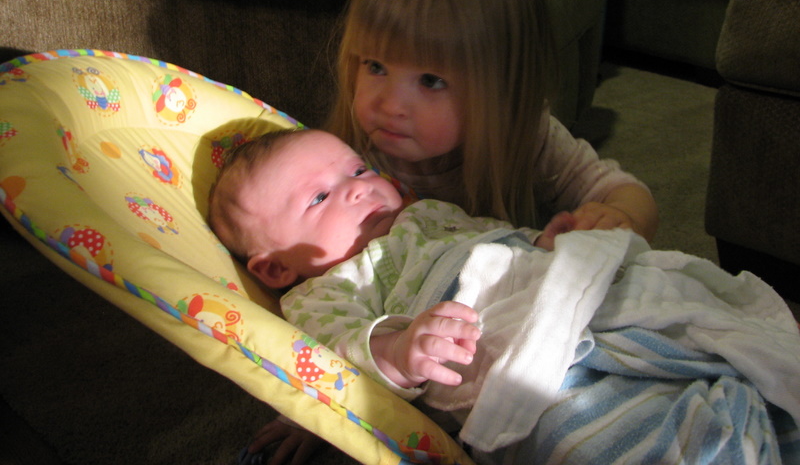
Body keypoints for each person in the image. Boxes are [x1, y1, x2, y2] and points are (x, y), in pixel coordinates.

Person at [209, 129, 800, 465]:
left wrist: (549, 242)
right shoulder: (326, 288)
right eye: (319, 198)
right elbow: (334, 358)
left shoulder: (425, 213)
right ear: (275, 267)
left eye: (359, 171)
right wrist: (397, 350)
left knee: (688, 324)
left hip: (565, 297)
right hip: (509, 356)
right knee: (586, 427)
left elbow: (496, 242)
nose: (358, 191)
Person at [325, 0, 658, 241]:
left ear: (503, 92)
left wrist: (619, 216)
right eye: (376, 66)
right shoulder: (350, 157)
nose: (389, 105)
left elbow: (625, 192)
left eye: (431, 81)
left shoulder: (527, 136)